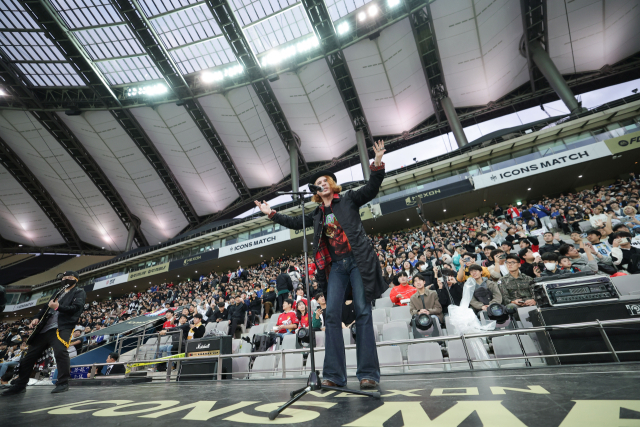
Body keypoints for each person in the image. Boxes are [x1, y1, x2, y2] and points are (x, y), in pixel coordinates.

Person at [254, 139, 386, 390]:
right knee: (332, 314)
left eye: (326, 181)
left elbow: (371, 188)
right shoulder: (316, 215)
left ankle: (368, 374)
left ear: (332, 185)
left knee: (363, 311)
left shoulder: (347, 200)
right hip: (335, 267)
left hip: (358, 262)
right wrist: (271, 213)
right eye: (319, 183)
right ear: (316, 191)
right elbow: (294, 223)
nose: (322, 184)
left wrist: (377, 163)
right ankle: (335, 375)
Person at [2, 270, 86, 396]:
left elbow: (76, 308)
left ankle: (63, 383)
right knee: (29, 356)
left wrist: (58, 307)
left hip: (62, 328)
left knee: (60, 352)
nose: (66, 279)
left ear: (76, 279)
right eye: (64, 277)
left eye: (69, 277)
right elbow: (45, 308)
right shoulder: (58, 292)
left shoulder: (79, 292)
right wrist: (36, 317)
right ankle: (20, 385)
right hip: (45, 329)